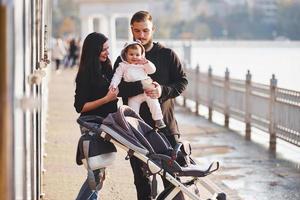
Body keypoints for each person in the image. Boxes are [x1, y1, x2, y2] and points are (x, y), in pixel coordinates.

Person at [113, 11, 188, 200]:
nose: (141, 35)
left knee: (173, 182)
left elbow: (182, 82)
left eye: (145, 30)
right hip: (136, 132)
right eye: (137, 30)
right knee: (142, 183)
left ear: (152, 29)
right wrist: (142, 86)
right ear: (131, 30)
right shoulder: (122, 59)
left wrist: (162, 90)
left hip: (166, 129)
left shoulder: (167, 55)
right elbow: (117, 90)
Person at [74, 32, 118, 200]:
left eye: (108, 48)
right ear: (94, 50)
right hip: (91, 125)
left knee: (99, 174)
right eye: (103, 49)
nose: (107, 52)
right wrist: (107, 99)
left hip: (105, 126)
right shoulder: (85, 73)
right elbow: (80, 106)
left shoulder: (106, 66)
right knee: (96, 175)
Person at [110, 41, 166, 129]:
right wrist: (113, 84)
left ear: (141, 55)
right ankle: (134, 125)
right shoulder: (123, 65)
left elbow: (152, 70)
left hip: (147, 91)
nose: (134, 57)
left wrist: (146, 63)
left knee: (154, 103)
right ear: (125, 54)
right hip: (134, 94)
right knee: (132, 108)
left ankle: (158, 119)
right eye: (131, 54)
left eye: (137, 55)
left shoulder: (142, 64)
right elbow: (117, 76)